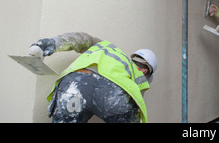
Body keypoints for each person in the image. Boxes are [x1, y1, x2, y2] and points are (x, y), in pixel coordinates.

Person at [28, 32, 157, 123]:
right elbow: (136, 101)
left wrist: (51, 44)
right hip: (112, 92)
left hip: (74, 84)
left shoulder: (108, 48)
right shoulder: (138, 75)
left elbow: (82, 38)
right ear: (145, 71)